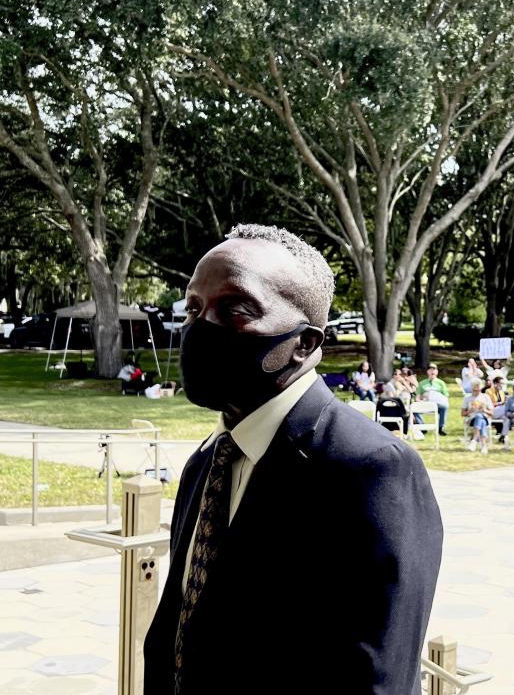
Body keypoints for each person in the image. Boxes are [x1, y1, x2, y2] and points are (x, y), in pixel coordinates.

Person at [144, 224, 442, 695]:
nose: (201, 328)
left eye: (235, 309)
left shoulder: (372, 469)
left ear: (305, 343)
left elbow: (376, 678)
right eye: (194, 309)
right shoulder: (207, 460)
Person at [415, 363, 450, 436]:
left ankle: (440, 428)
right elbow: (417, 397)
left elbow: (445, 396)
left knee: (444, 407)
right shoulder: (422, 383)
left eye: (434, 370)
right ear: (427, 372)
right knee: (414, 409)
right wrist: (420, 401)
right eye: (430, 370)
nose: (432, 372)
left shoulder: (441, 383)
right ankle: (422, 427)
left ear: (437, 372)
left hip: (437, 404)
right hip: (425, 403)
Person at [461, 378, 493, 454]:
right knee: (480, 420)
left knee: (480, 417)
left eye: (478, 390)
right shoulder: (467, 398)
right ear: (472, 389)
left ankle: (474, 440)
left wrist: (484, 410)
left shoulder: (486, 397)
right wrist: (470, 411)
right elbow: (462, 413)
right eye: (475, 390)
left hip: (485, 417)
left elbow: (491, 413)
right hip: (471, 419)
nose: (476, 392)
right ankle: (483, 445)